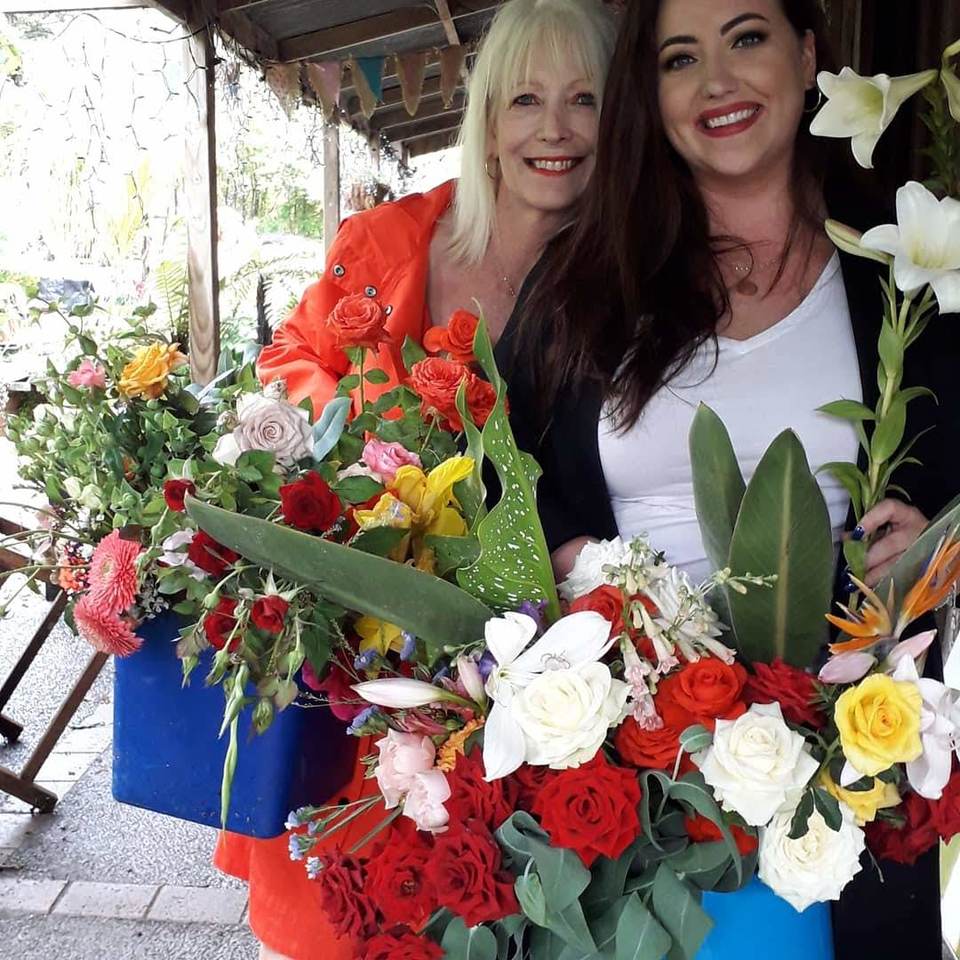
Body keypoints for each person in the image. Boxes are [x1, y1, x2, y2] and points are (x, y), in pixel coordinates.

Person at [496, 0, 958, 957]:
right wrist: (563, 553)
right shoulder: (585, 276)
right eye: (679, 58)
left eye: (747, 38)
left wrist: (938, 546)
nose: (717, 81)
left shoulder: (901, 266)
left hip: (853, 750)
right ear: (651, 96)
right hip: (634, 769)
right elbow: (496, 473)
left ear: (808, 52)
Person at [218, 2, 617, 957]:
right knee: (332, 918)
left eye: (584, 101)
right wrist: (366, 451)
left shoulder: (634, 272)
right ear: (486, 117)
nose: (553, 129)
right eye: (526, 99)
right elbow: (289, 358)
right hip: (358, 677)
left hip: (524, 698)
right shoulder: (389, 242)